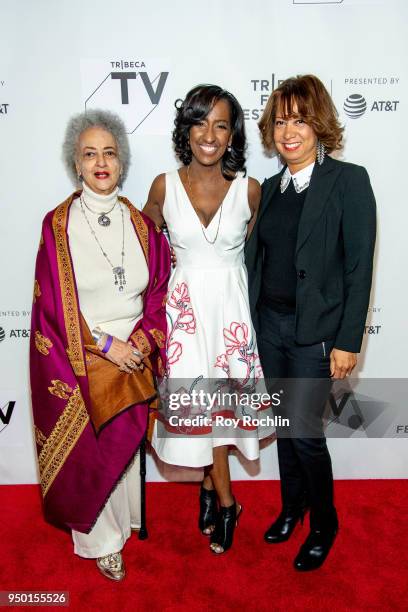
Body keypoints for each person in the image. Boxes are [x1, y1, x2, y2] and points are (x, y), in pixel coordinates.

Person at [30, 109, 170, 580]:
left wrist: (140, 343)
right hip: (83, 354)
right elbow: (50, 307)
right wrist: (106, 345)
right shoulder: (57, 225)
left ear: (122, 160)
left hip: (136, 348)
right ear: (76, 162)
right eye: (90, 154)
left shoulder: (142, 225)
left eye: (109, 152)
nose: (101, 162)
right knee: (103, 431)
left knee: (126, 432)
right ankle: (100, 540)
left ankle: (124, 522)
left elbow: (159, 296)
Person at [246, 75, 376, 571]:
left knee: (305, 434)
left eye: (299, 119)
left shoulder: (349, 181)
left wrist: (347, 341)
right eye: (280, 121)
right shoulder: (273, 189)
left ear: (318, 122)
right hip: (271, 328)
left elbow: (359, 268)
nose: (288, 131)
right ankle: (292, 509)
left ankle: (324, 522)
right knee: (284, 429)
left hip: (317, 336)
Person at [143, 84, 273, 554]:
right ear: (186, 128)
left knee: (218, 417)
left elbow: (258, 256)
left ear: (233, 133)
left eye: (221, 124)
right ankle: (226, 501)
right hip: (184, 318)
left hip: (230, 318)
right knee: (202, 415)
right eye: (200, 122)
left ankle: (217, 498)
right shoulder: (163, 186)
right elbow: (143, 250)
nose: (210, 134)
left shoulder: (250, 191)